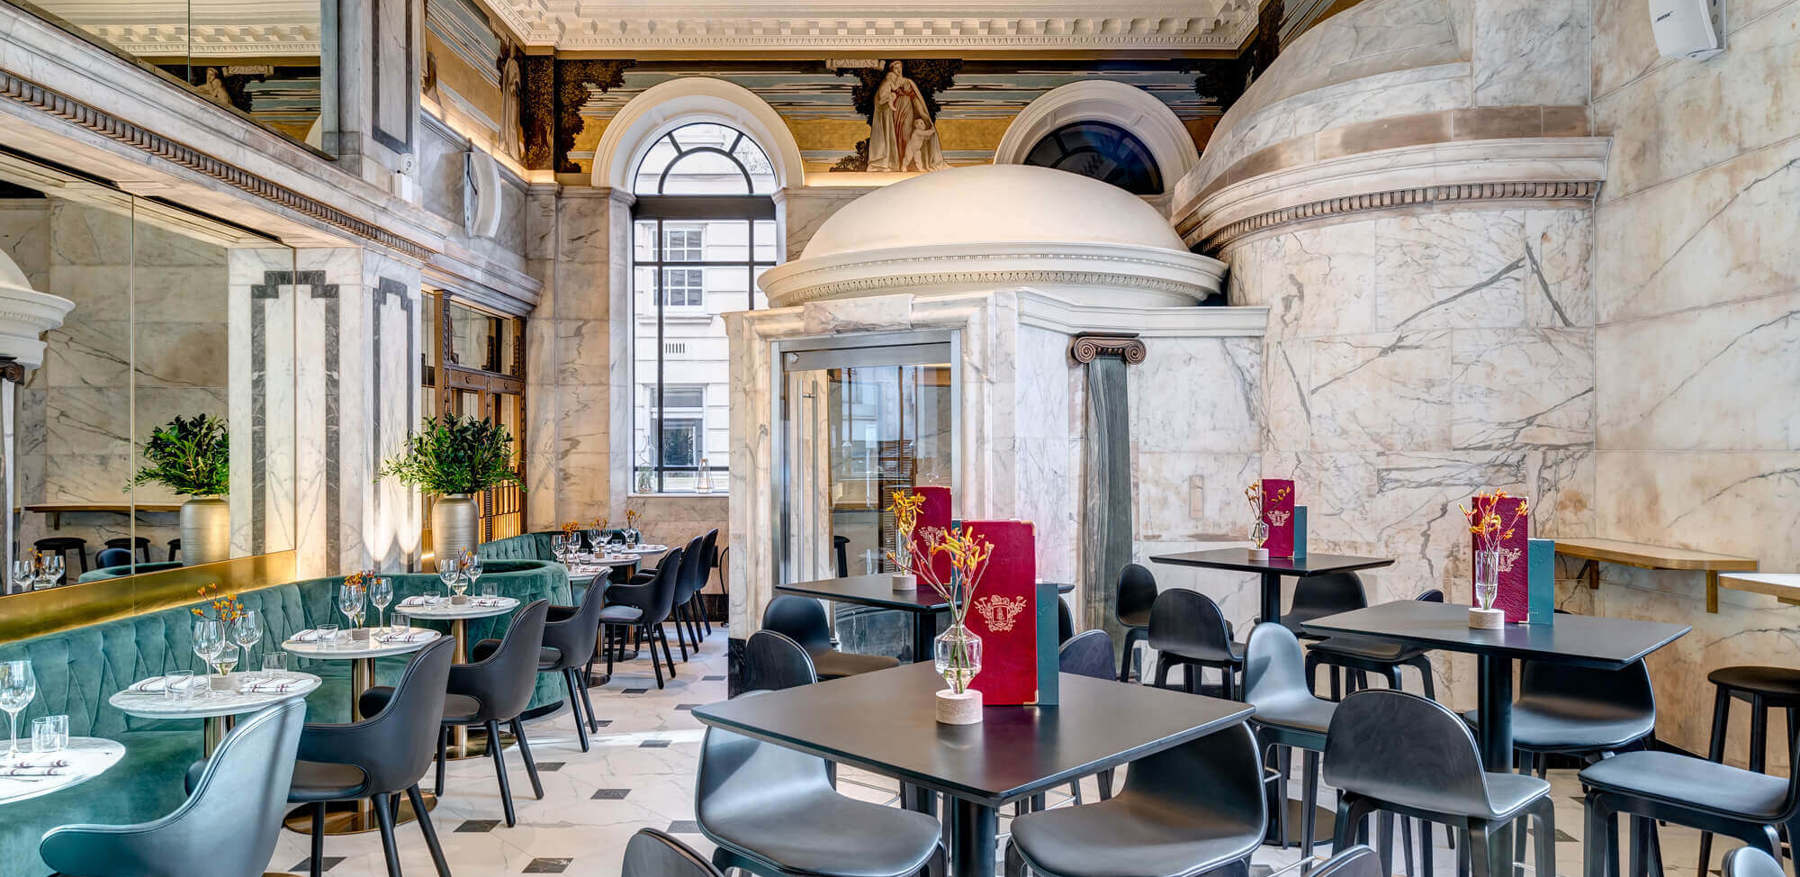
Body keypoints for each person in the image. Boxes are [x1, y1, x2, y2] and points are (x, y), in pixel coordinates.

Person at [867, 61, 946, 172]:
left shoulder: (908, 82)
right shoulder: (889, 81)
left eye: (900, 67)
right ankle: (898, 163)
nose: (898, 70)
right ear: (892, 70)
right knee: (896, 136)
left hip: (907, 111)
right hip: (895, 112)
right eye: (895, 68)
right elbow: (882, 97)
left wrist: (923, 114)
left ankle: (910, 164)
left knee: (906, 134)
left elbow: (915, 99)